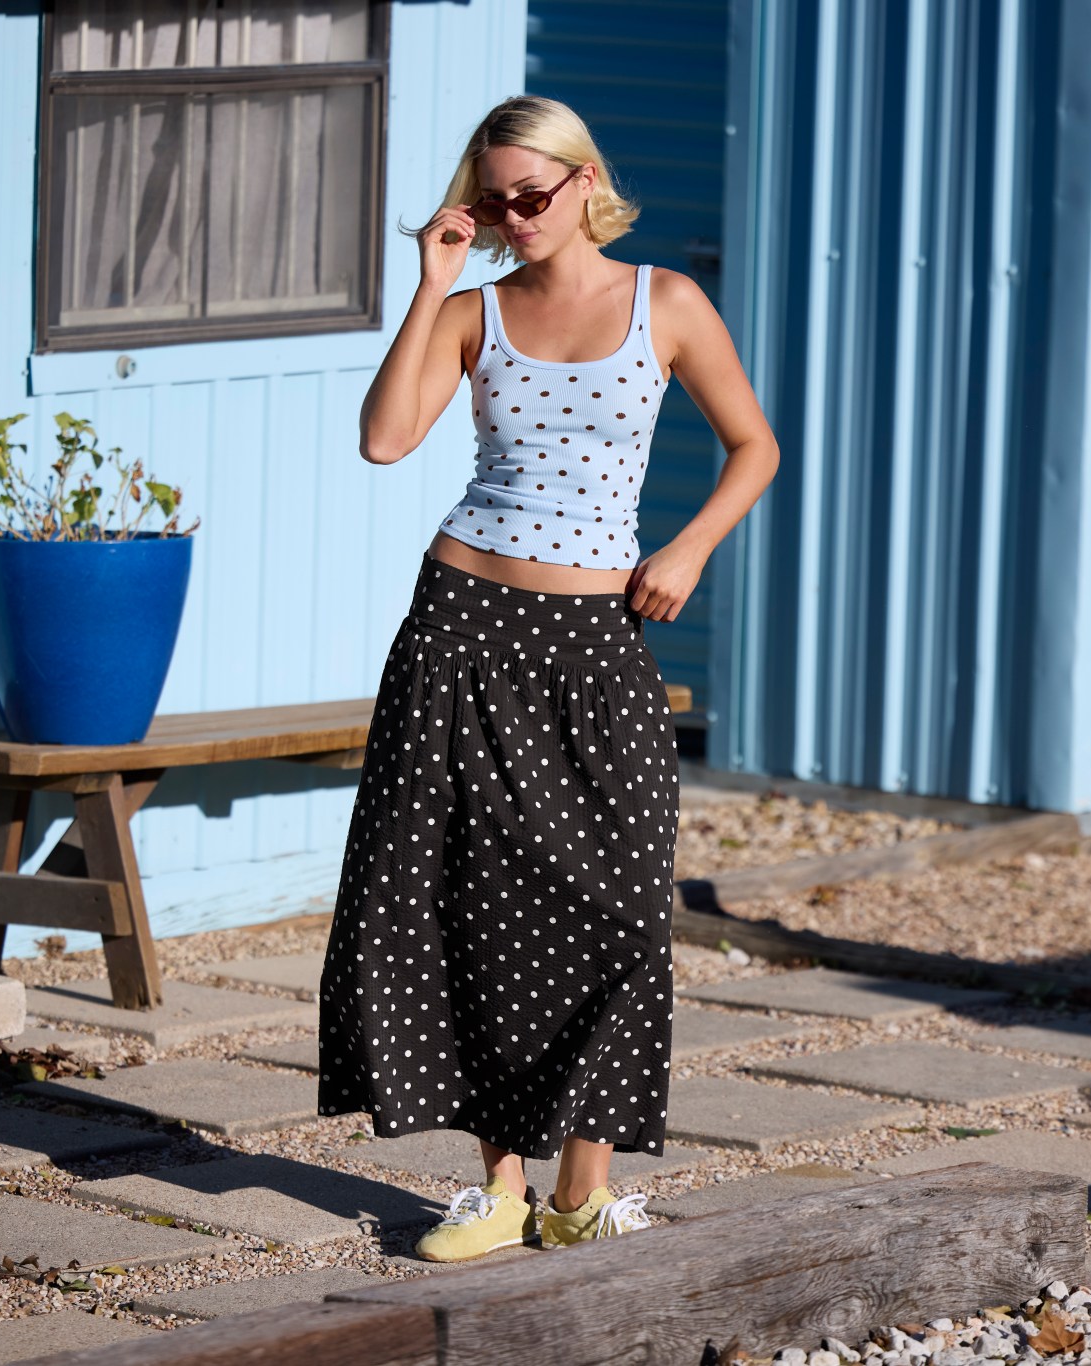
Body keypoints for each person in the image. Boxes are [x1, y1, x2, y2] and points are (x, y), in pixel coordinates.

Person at [316, 94, 778, 1262]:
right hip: (462, 623)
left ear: (584, 182)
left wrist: (686, 546)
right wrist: (430, 282)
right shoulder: (471, 311)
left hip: (592, 636)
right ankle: (500, 1188)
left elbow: (752, 445)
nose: (515, 218)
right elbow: (383, 440)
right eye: (494, 199)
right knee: (454, 900)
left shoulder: (663, 302)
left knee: (619, 907)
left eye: (533, 195)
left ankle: (584, 1184)